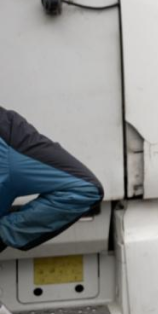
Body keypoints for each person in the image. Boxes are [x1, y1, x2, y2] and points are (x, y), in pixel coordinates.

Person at [1, 106, 104, 253]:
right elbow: (84, 190)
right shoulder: (8, 137)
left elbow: (84, 190)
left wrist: (4, 233)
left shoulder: (8, 137)